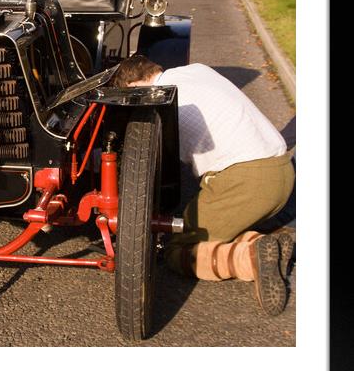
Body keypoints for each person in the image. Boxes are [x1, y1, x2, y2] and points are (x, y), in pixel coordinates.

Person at [112, 55, 295, 316]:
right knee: (218, 225)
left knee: (177, 248)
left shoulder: (163, 102)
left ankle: (249, 258)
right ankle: (261, 244)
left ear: (133, 87)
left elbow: (153, 175)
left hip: (247, 181)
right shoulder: (198, 70)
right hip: (282, 170)